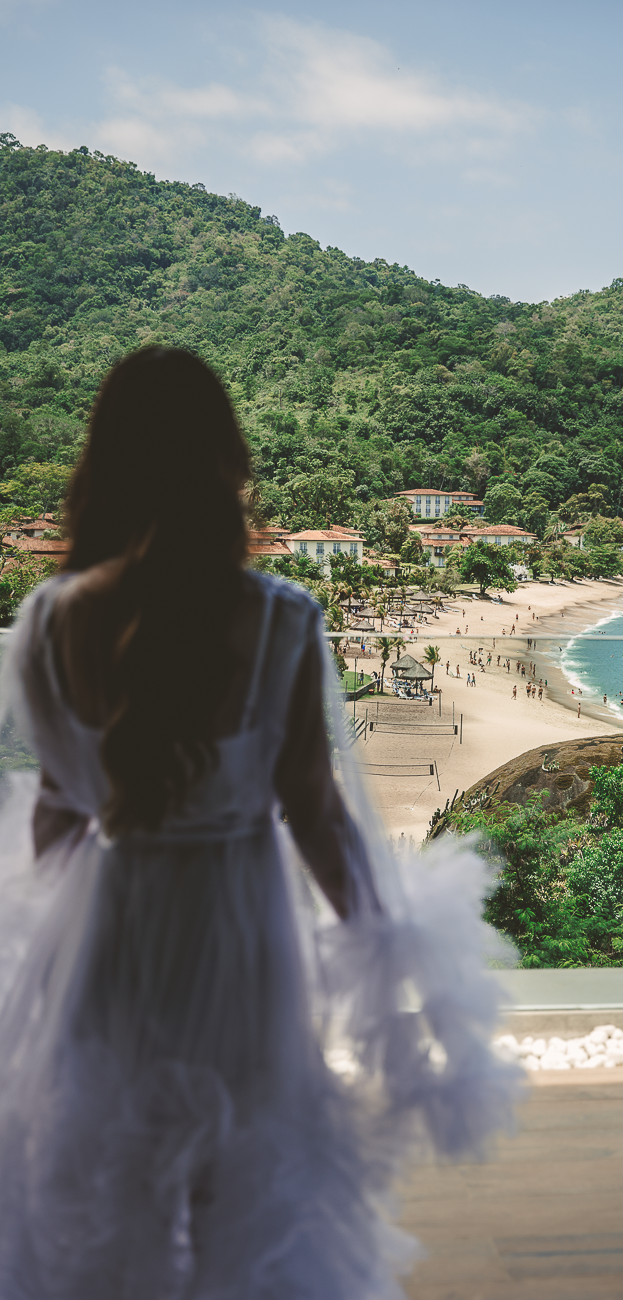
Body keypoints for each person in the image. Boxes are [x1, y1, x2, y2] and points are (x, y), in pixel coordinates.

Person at [0, 348, 518, 1297]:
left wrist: (40, 944)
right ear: (225, 459)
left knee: (116, 1174)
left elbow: (57, 813)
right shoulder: (280, 618)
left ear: (101, 464)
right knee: (250, 1178)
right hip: (236, 926)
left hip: (113, 923)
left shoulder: (46, 621)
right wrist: (384, 944)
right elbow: (316, 815)